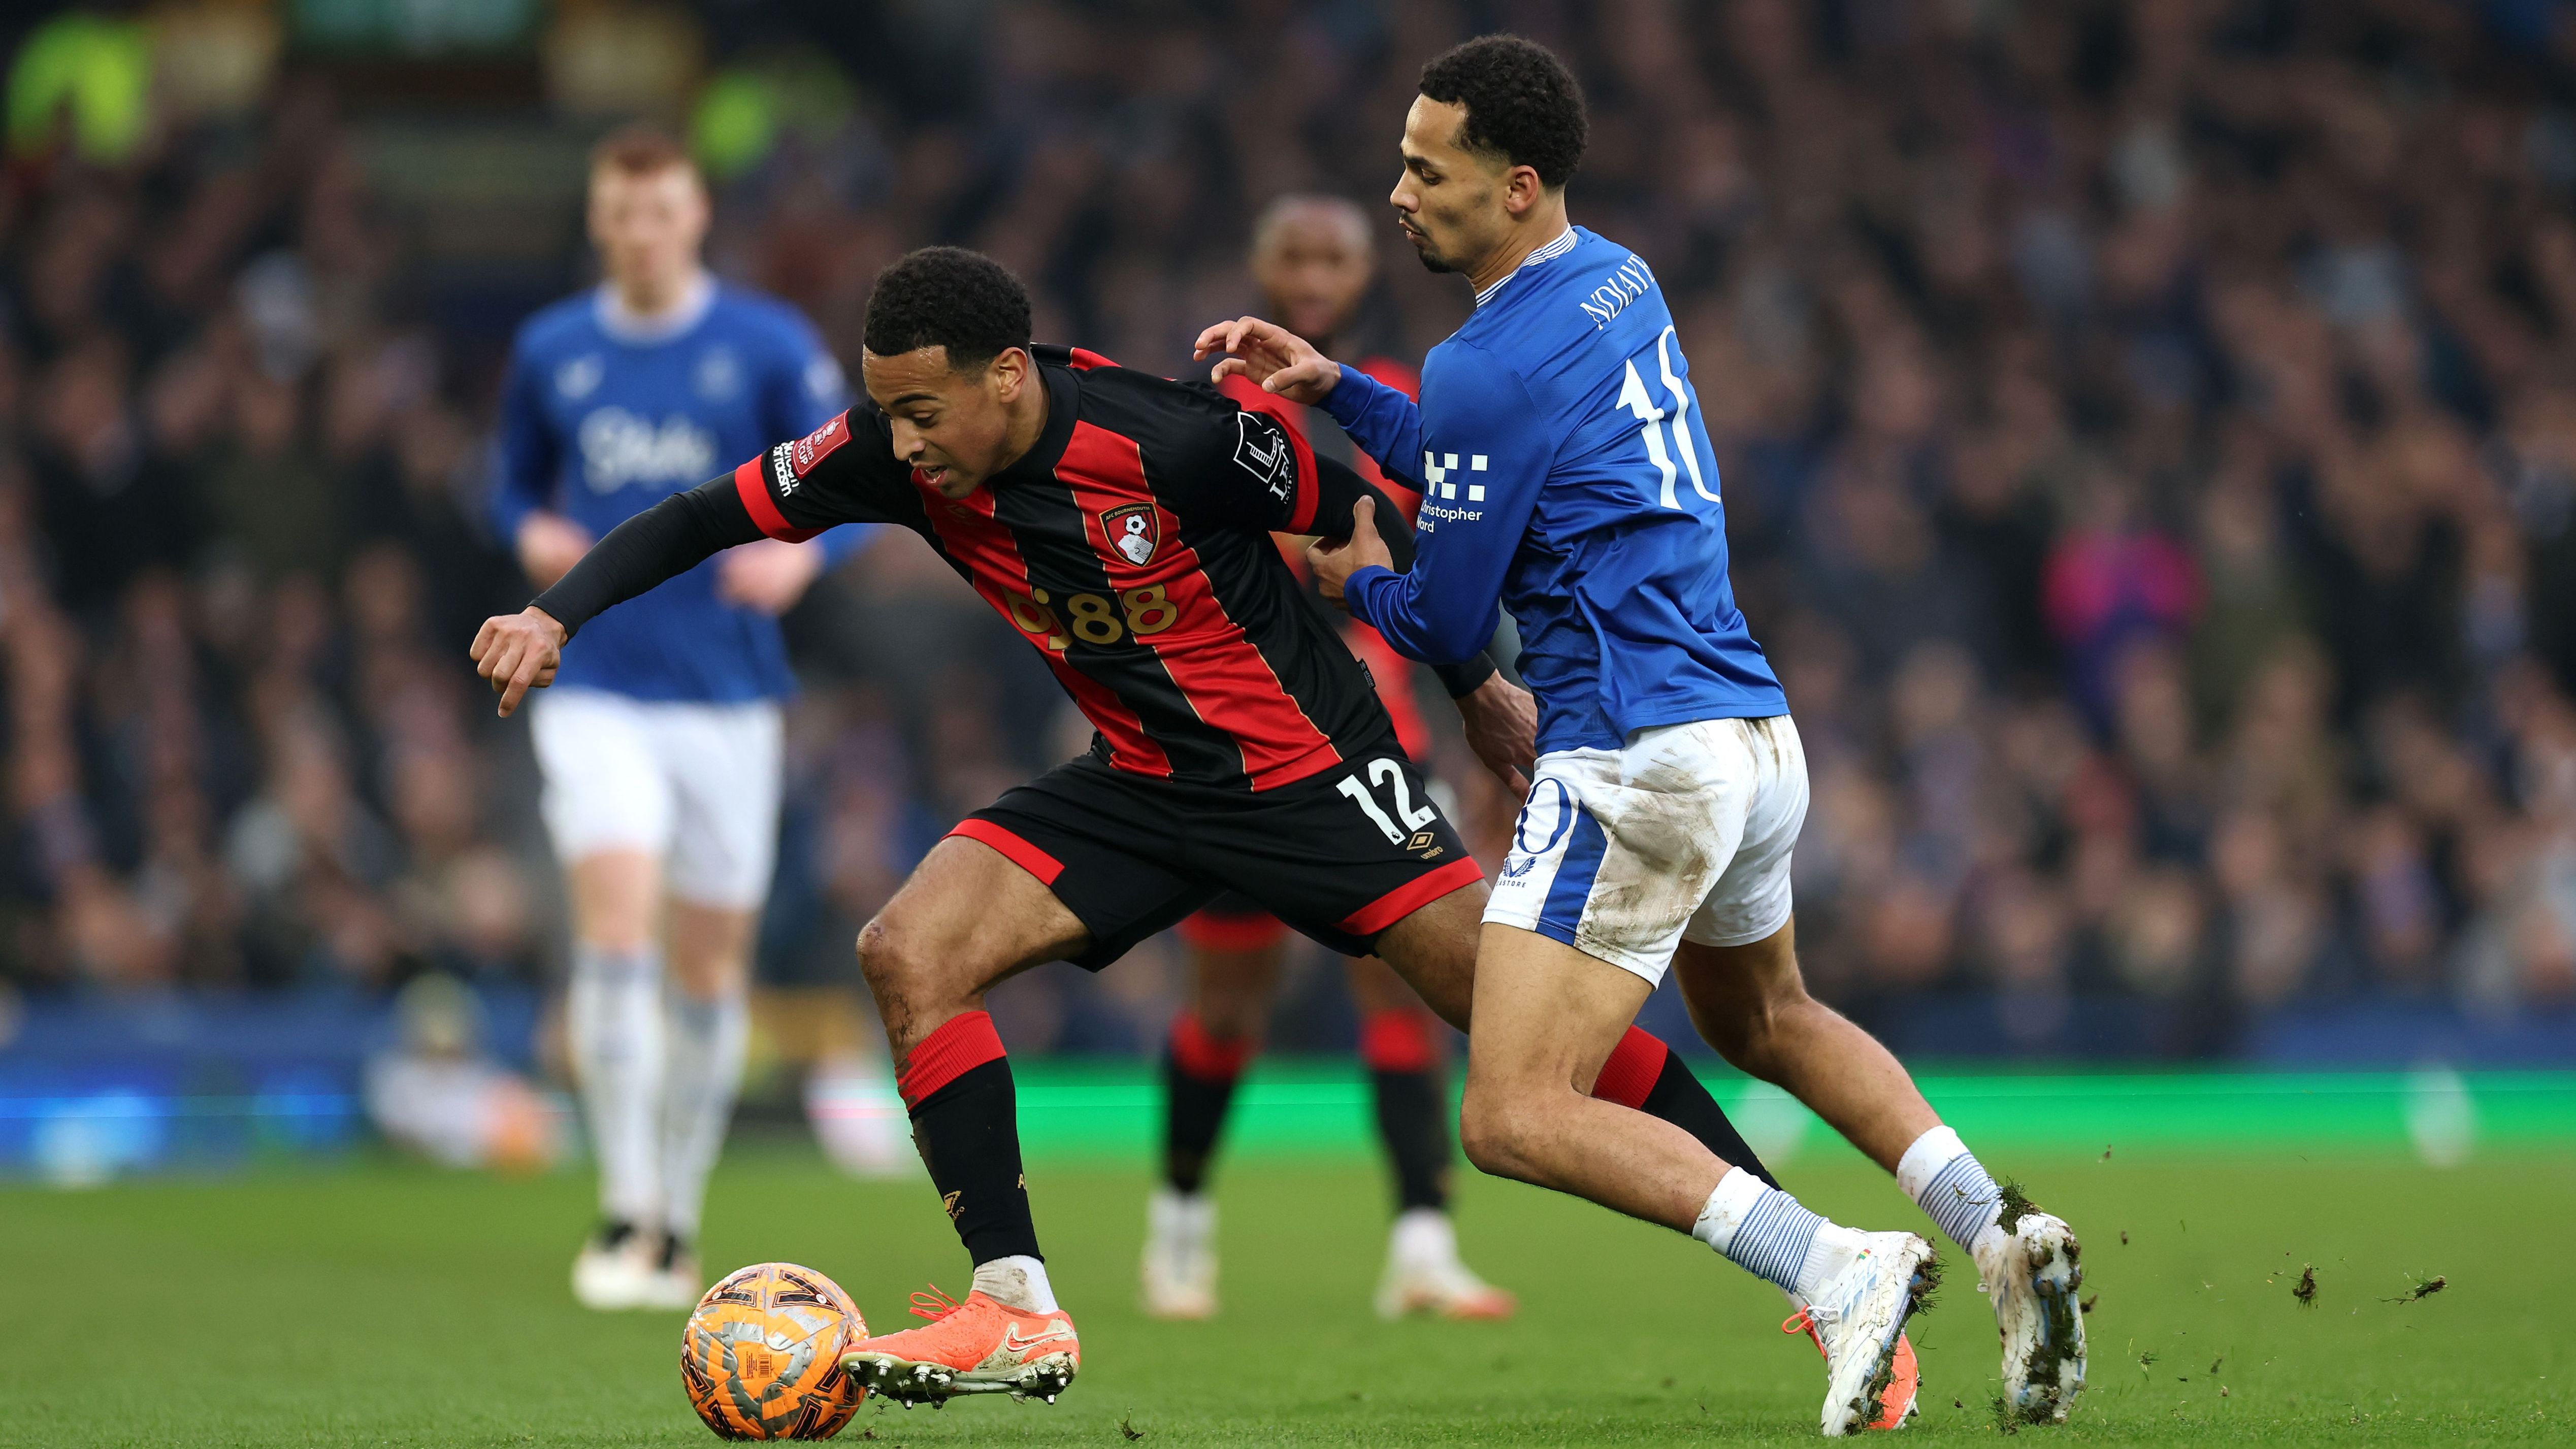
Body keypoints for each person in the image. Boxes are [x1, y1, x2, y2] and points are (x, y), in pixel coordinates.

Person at [472, 246, 1804, 1410]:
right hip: (1142, 783)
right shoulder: (893, 449)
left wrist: (1474, 691)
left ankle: (1805, 1255)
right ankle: (1014, 1302)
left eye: (921, 409)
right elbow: (708, 512)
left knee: (1528, 1038)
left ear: (1007, 375)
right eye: (884, 411)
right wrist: (556, 614)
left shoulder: (1170, 437)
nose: (900, 439)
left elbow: (1349, 506)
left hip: (1309, 773)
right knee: (908, 950)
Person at [1199, 36, 2089, 1436]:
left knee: (1509, 1111)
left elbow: (1441, 614)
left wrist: (1345, 579)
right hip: (1750, 729)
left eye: (1427, 170)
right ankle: (1996, 1229)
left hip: (1629, 754)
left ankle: (1836, 1261)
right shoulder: (1619, 273)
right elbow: (1492, 442)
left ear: (1517, 185)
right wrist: (1338, 389)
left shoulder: (1478, 355)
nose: (1397, 193)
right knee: (1766, 1016)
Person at [488, 124, 873, 1311]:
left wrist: (802, 564)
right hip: (597, 684)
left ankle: (679, 1209)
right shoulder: (551, 348)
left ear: (695, 217)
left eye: (659, 212)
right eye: (619, 214)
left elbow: (860, 476)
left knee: (709, 967)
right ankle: (626, 1207)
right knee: (616, 926)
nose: (639, 233)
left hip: (728, 693)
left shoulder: (763, 342)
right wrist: (530, 533)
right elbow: (508, 474)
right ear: (599, 222)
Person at [1142, 193, 1510, 1324]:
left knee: (1405, 984)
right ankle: (1182, 1218)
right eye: (1290, 256)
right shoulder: (1206, 406)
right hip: (1247, 734)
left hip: (1380, 738)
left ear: (1364, 272)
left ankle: (1419, 1242)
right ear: (1257, 265)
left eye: (1332, 258)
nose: (1310, 276)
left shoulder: (1398, 399)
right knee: (1230, 1002)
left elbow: (1446, 565)